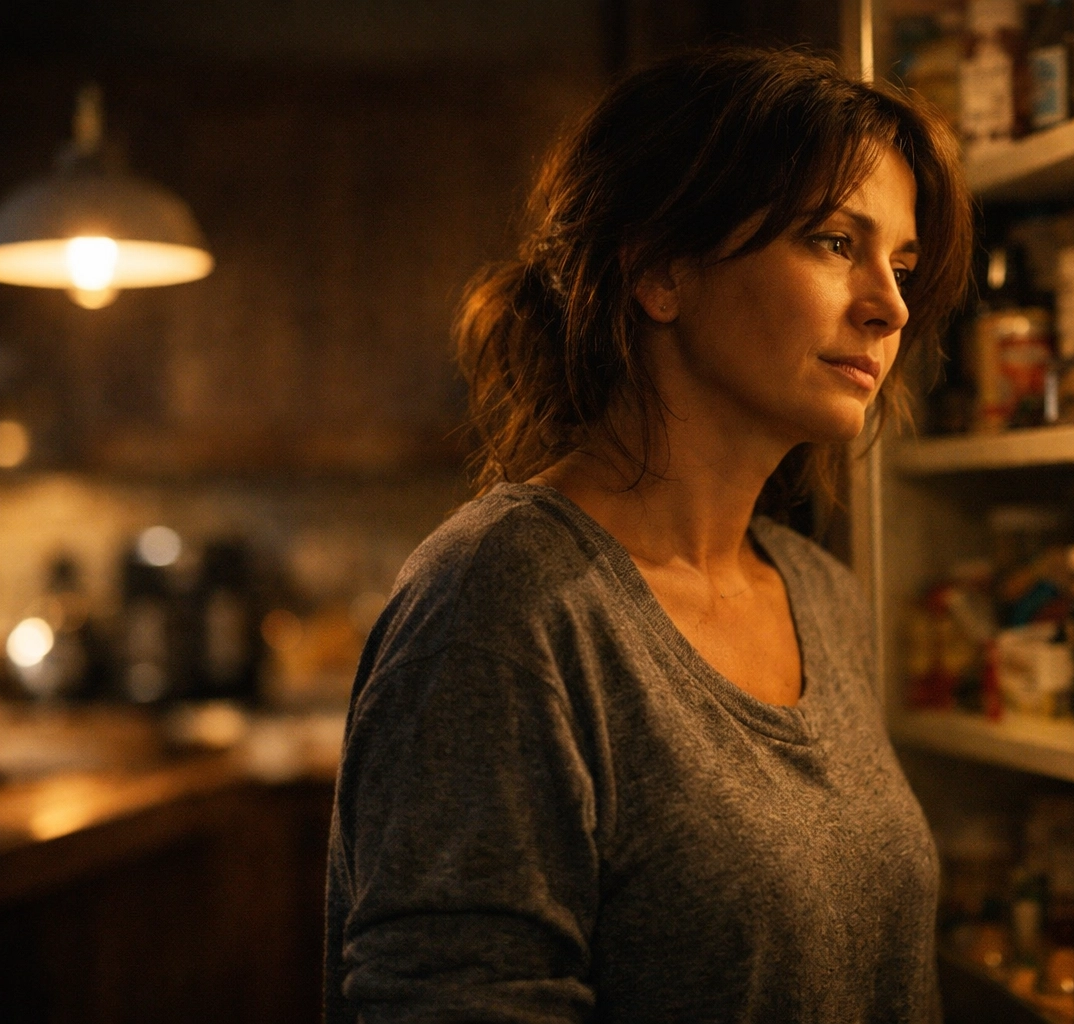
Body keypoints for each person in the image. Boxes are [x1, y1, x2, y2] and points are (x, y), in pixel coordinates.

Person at [324, 47, 973, 1023]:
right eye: (837, 242)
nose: (889, 305)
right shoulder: (507, 598)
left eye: (904, 264)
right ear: (661, 269)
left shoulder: (819, 593)